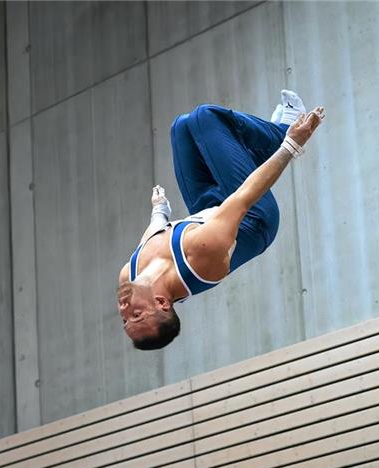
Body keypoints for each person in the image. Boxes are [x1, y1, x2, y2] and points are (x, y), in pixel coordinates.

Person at [117, 90, 325, 350]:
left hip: (208, 211)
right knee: (206, 118)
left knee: (181, 127)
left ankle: (253, 152)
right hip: (253, 217)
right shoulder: (202, 256)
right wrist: (291, 145)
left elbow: (151, 239)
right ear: (161, 303)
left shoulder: (129, 274)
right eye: (136, 315)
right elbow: (244, 197)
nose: (124, 311)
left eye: (125, 320)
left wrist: (159, 210)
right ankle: (278, 132)